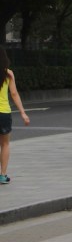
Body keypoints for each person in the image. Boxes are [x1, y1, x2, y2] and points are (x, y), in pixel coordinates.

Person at [0, 46, 30, 184]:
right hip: (4, 113)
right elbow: (14, 94)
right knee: (5, 144)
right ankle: (3, 175)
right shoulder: (9, 74)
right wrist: (23, 113)